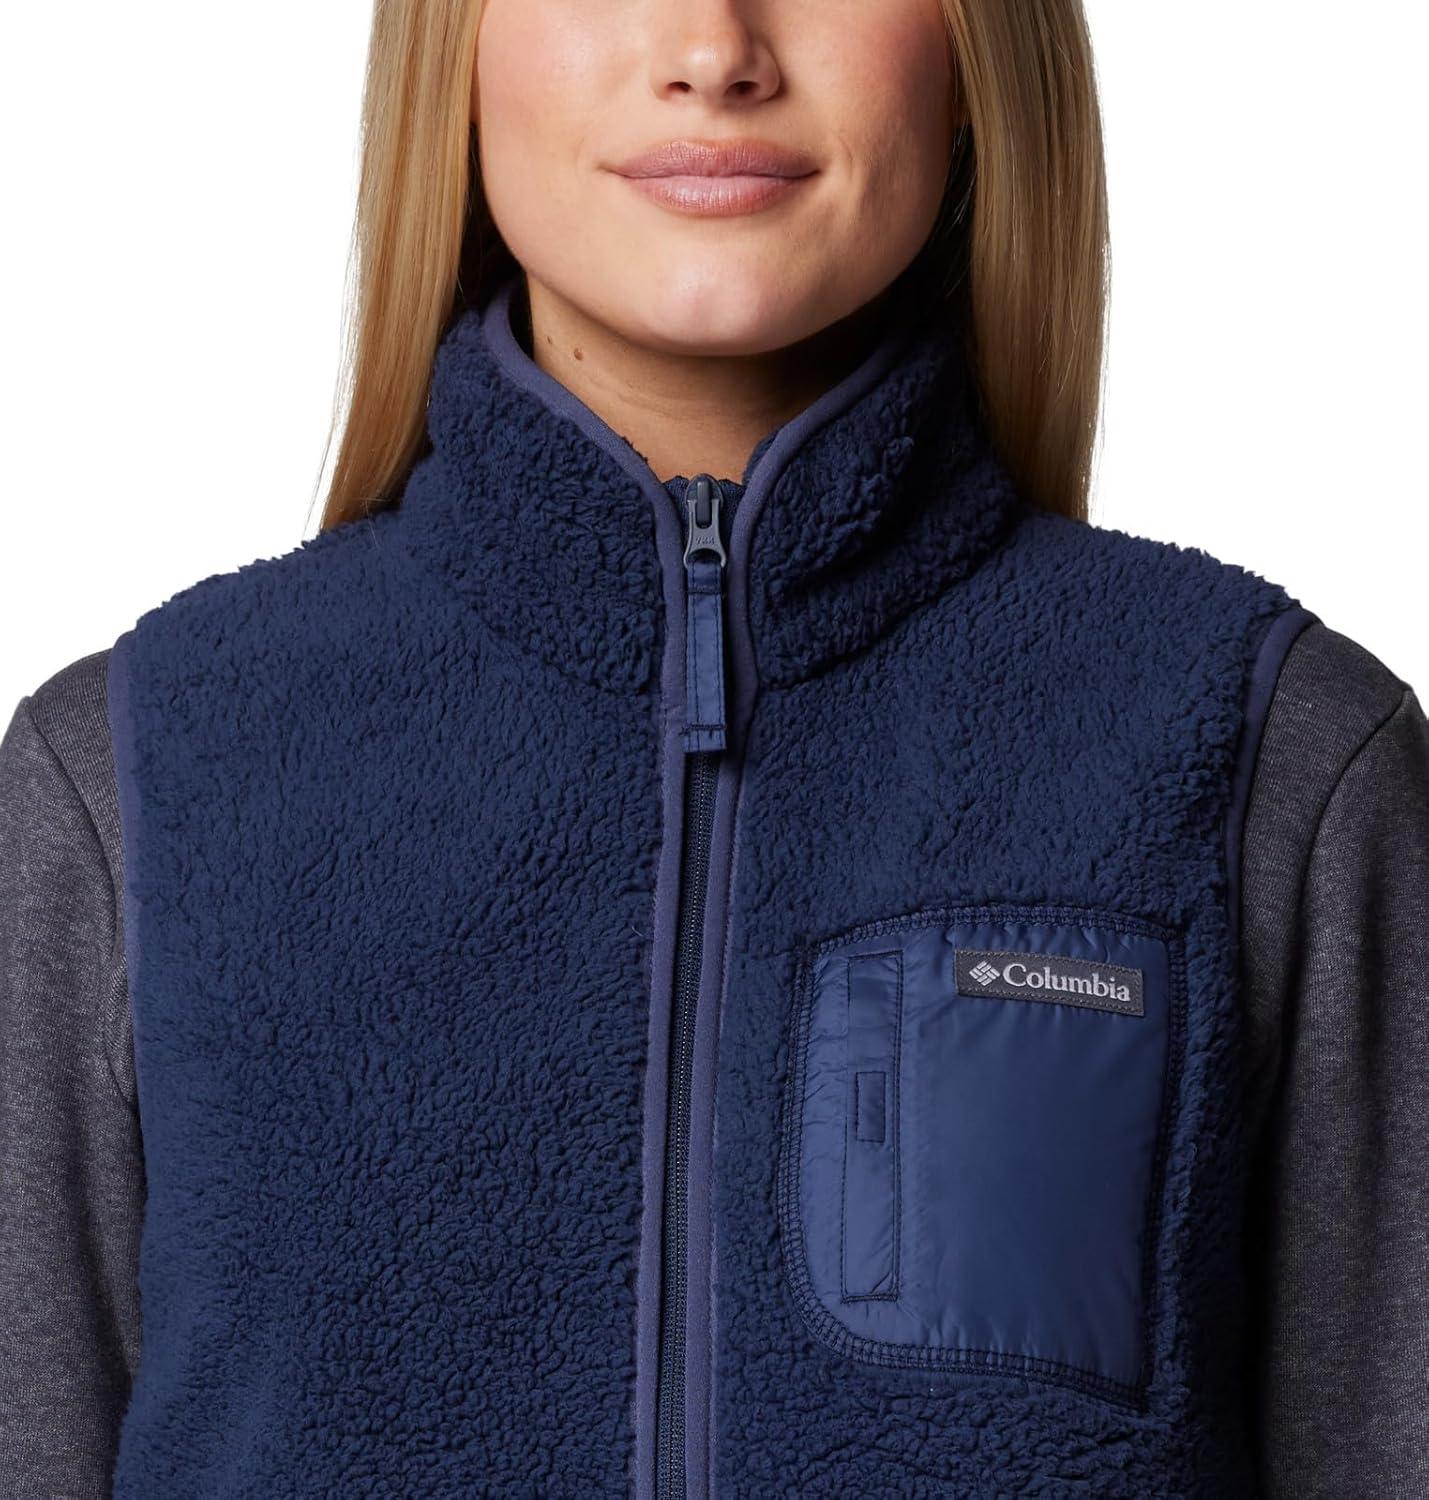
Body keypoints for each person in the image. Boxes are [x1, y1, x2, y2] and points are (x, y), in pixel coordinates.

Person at [2, 1, 1425, 1495]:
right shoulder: (132, 780)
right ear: (452, 51)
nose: (713, 47)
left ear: (975, 57)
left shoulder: (1269, 758)